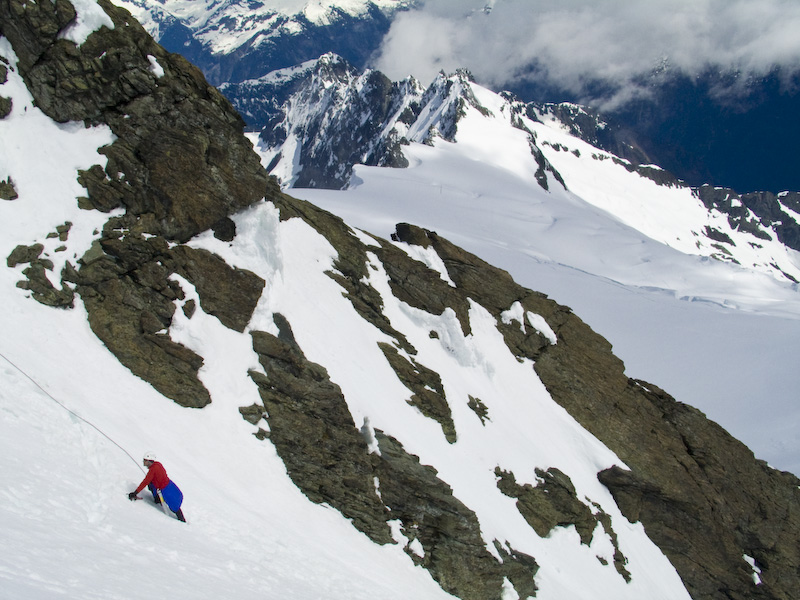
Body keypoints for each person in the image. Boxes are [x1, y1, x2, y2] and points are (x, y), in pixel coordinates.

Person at [128, 452, 186, 522]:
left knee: (174, 506)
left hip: (166, 490)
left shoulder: (152, 470)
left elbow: (145, 482)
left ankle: (182, 520)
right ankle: (158, 500)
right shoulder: (158, 464)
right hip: (169, 485)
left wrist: (135, 493)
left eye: (145, 460)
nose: (143, 462)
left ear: (149, 461)